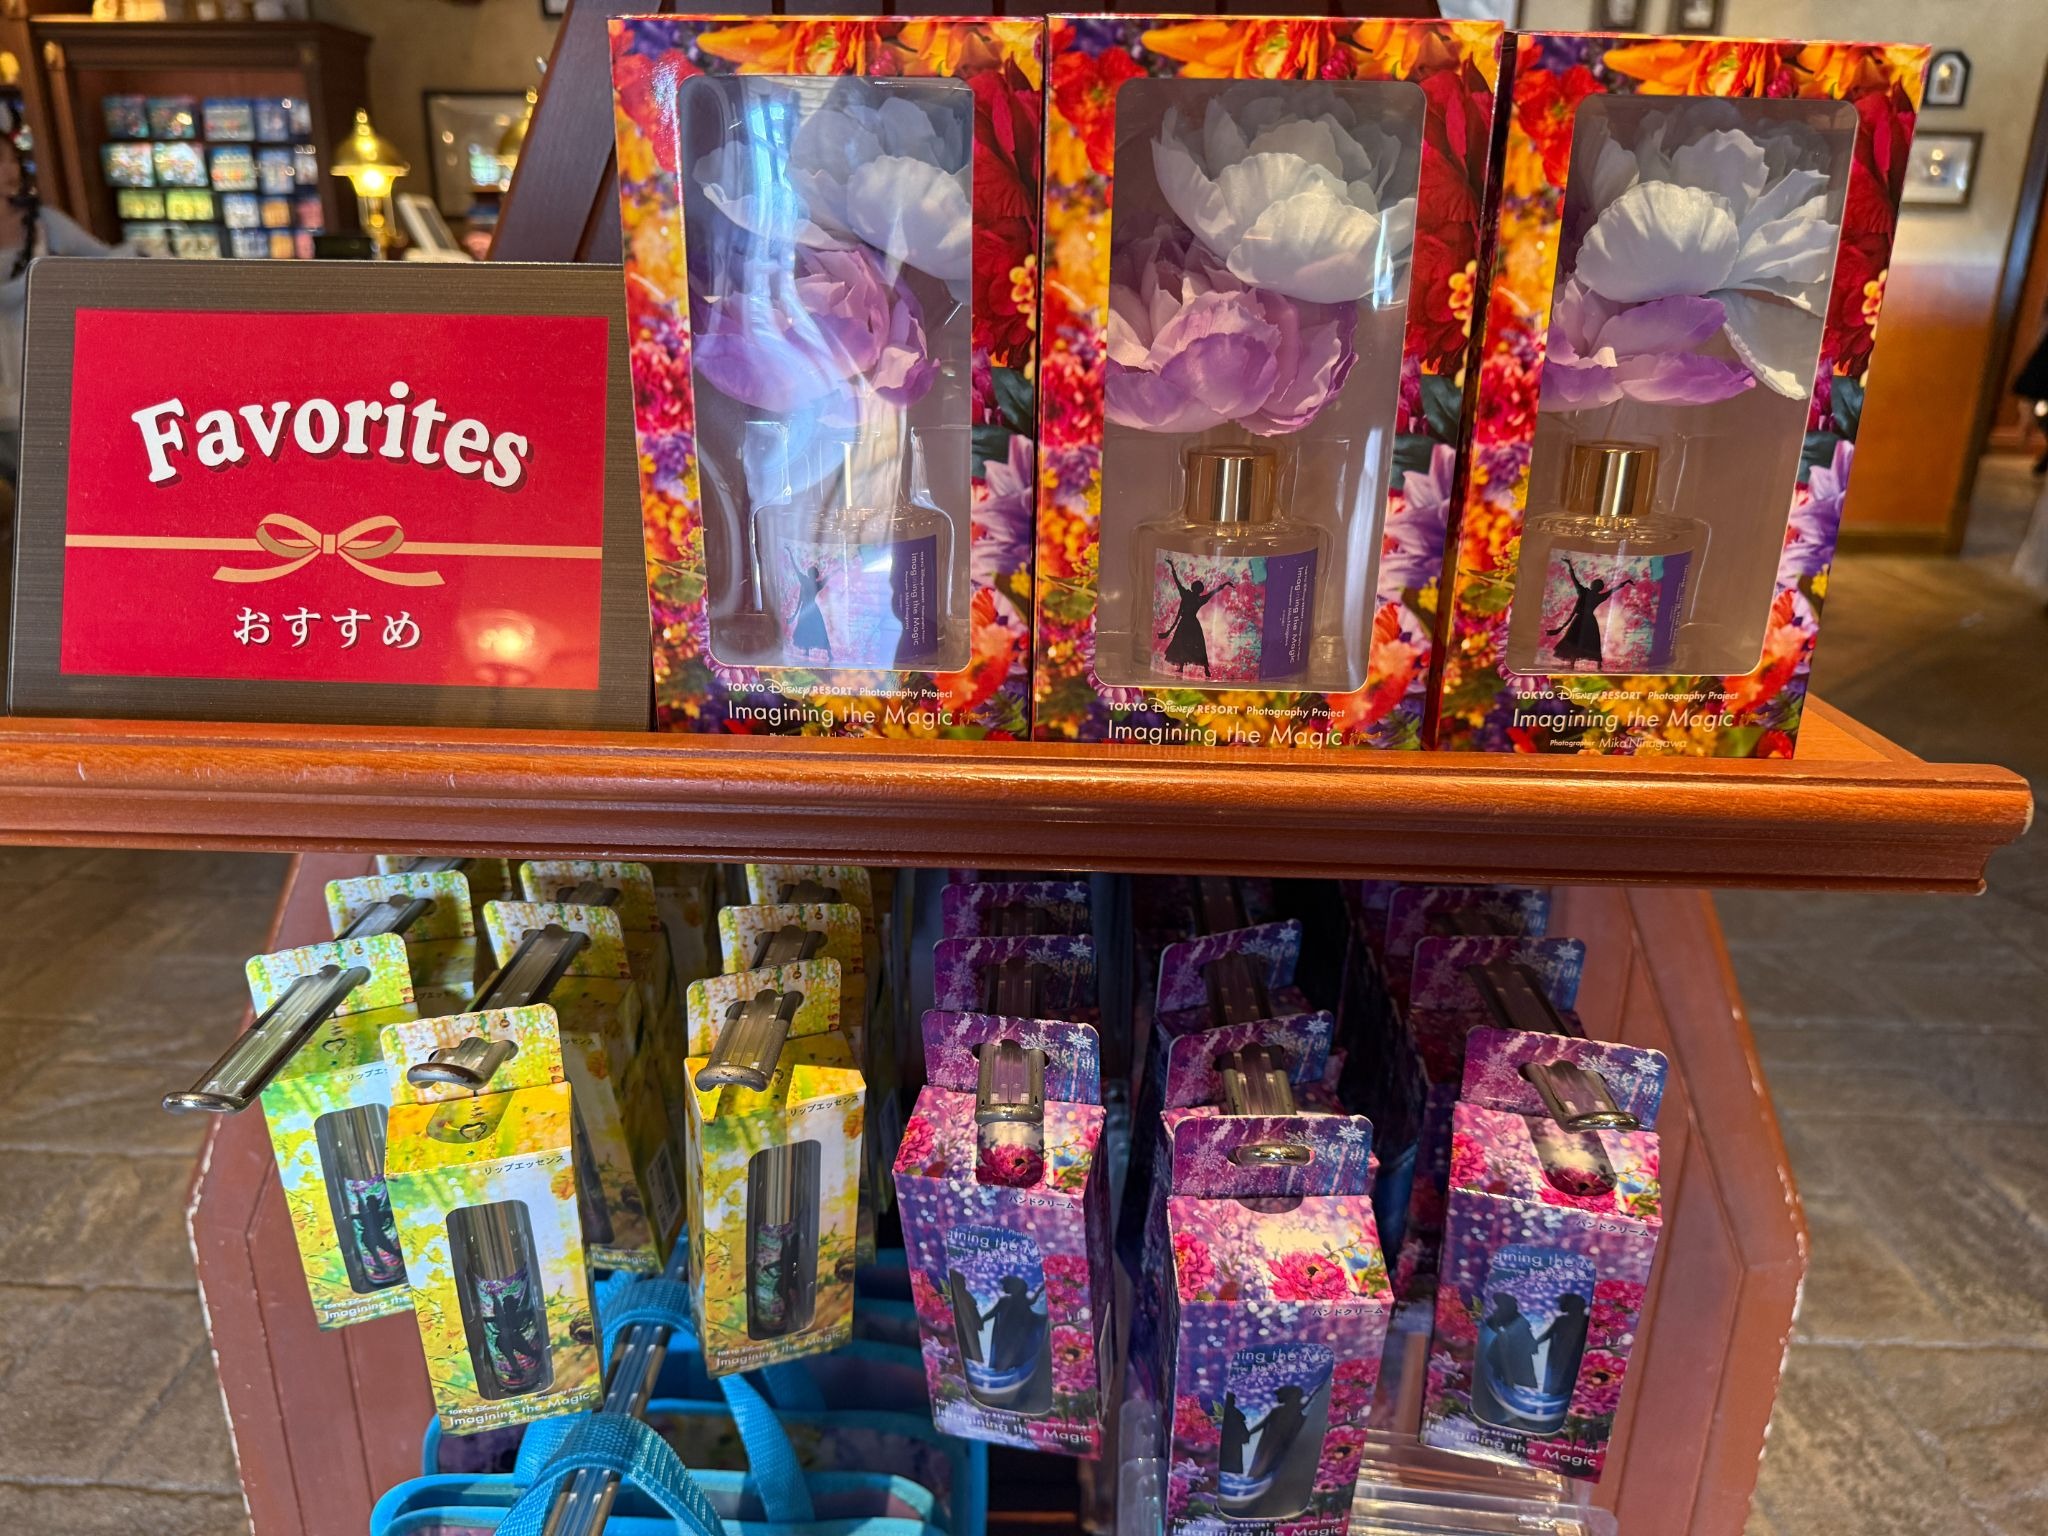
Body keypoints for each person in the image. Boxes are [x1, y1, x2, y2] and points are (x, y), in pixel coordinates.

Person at [0, 131, 120, 488]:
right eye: (0, 161)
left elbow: (110, 264)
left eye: (12, 159)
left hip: (52, 383)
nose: (10, 169)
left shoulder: (44, 224)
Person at [1546, 559, 1633, 669]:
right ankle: (1595, 665)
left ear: (1593, 586)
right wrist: (1625, 583)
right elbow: (1613, 590)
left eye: (1594, 584)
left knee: (1575, 640)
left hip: (1581, 620)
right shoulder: (1598, 596)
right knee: (1589, 642)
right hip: (1590, 621)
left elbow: (1575, 580)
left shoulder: (1585, 592)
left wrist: (1570, 566)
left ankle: (1577, 664)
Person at [1159, 560, 1229, 676]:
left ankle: (1189, 668)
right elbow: (1212, 593)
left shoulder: (1187, 595)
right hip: (1192, 624)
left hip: (1186, 623)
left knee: (1184, 643)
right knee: (1194, 645)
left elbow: (1177, 582)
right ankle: (1200, 668)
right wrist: (1223, 585)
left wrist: (1173, 568)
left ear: (1193, 587)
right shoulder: (1198, 599)